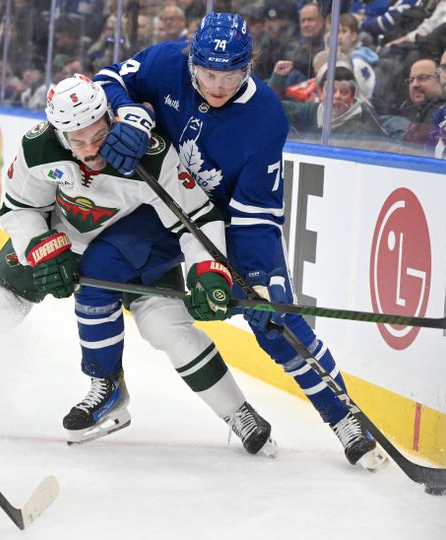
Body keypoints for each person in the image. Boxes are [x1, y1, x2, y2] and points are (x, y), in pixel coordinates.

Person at [94, 12, 387, 470]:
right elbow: (107, 79)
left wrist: (251, 276)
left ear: (249, 65)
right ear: (192, 60)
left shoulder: (266, 117)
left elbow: (253, 216)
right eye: (208, 73)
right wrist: (128, 110)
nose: (217, 85)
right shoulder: (166, 61)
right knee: (114, 278)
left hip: (234, 221)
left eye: (230, 74)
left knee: (275, 322)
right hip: (165, 208)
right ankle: (124, 392)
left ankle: (344, 417)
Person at [0, 75, 276, 455]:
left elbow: (195, 214)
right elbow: (20, 207)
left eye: (97, 135)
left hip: (133, 239)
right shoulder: (40, 145)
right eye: (76, 141)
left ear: (110, 118)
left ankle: (237, 413)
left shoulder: (149, 153)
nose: (89, 149)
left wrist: (207, 269)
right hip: (62, 234)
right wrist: (40, 248)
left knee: (164, 325)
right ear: (59, 133)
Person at [399, 57, 445, 154]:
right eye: (411, 80)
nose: (414, 84)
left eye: (422, 78)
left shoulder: (444, 115)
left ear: (440, 80)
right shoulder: (413, 112)